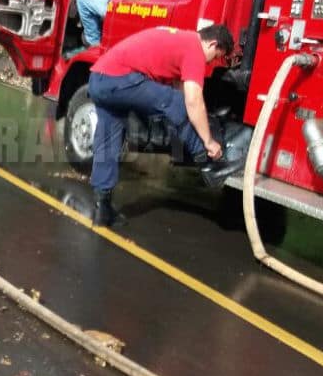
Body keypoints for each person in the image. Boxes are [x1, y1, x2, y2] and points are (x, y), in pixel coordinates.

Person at [88, 24, 234, 226]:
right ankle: (209, 165)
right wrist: (208, 141)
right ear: (212, 43)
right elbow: (192, 101)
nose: (213, 62)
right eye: (217, 56)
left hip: (98, 79)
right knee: (175, 102)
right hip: (118, 79)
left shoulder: (180, 39)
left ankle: (101, 210)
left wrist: (192, 120)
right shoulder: (195, 50)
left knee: (108, 142)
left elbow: (180, 87)